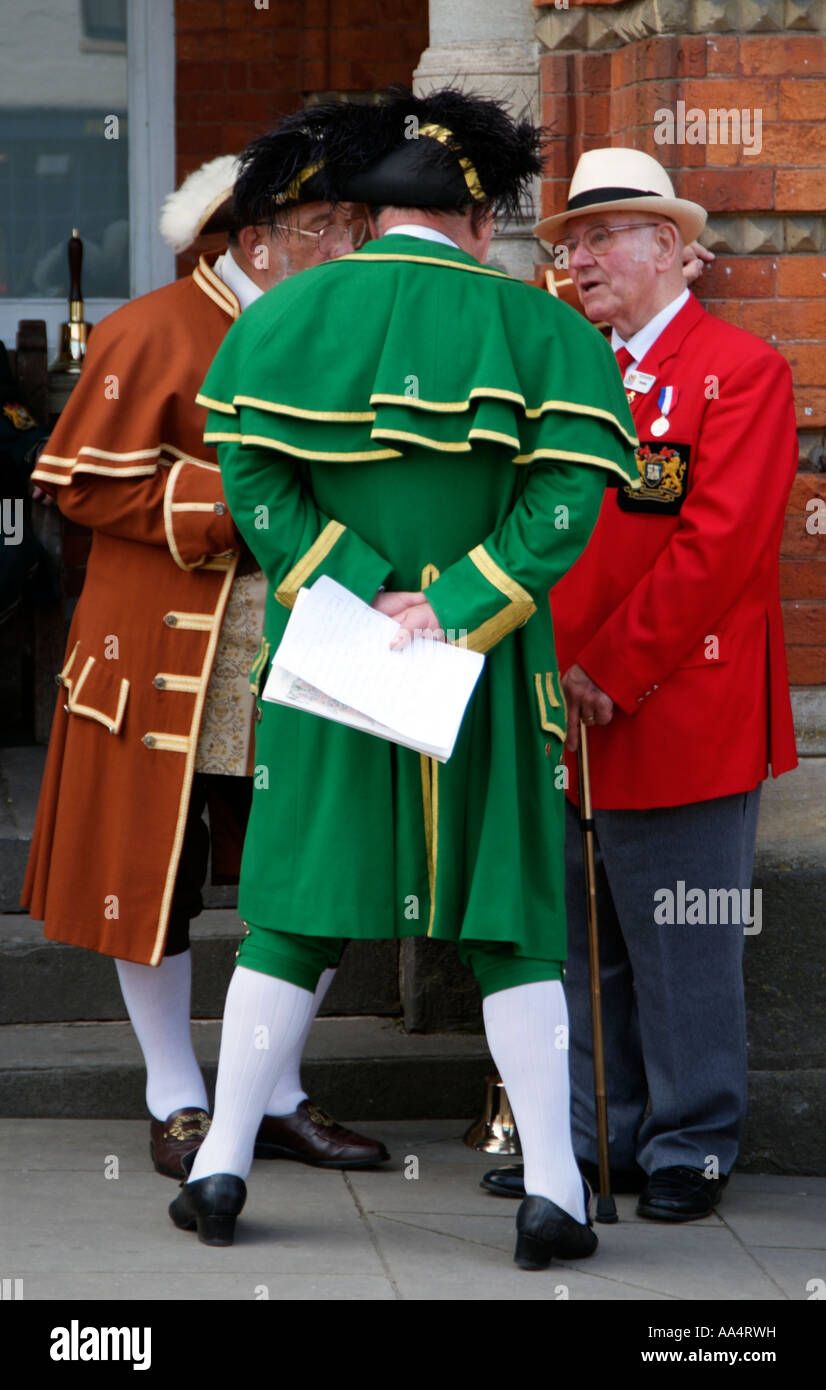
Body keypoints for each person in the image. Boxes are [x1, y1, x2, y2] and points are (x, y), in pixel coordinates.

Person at [169, 87, 638, 1267]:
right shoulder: (551, 333)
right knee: (513, 928)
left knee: (288, 916)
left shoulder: (280, 317)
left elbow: (259, 491)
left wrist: (357, 584)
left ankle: (222, 1163)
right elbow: (568, 501)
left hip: (334, 650)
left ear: (370, 213)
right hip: (484, 662)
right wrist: (459, 601)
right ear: (478, 221)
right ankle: (554, 1193)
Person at [22, 117, 388, 1181]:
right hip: (171, 653)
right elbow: (77, 481)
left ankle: (270, 1089)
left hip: (314, 639)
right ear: (257, 237)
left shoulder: (343, 324)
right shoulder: (154, 326)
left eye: (352, 223)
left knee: (316, 868)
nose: (344, 244)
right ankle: (176, 1092)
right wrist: (241, 504)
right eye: (326, 225)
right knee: (157, 879)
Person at [483, 147, 798, 1220]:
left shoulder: (741, 369)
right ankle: (587, 1140)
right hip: (561, 705)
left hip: (675, 703)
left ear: (668, 247)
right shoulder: (578, 368)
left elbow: (718, 546)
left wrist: (611, 668)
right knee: (577, 942)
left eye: (600, 237)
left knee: (681, 942)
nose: (577, 259)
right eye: (570, 242)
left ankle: (692, 1143)